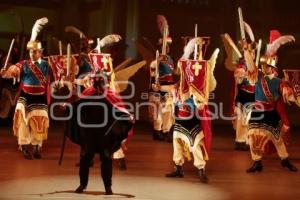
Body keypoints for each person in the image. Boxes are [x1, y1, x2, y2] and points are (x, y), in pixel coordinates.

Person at [165, 37, 219, 183]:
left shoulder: (195, 89)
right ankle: (178, 168)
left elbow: (201, 105)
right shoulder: (177, 87)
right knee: (176, 143)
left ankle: (201, 169)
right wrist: (159, 88)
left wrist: (198, 100)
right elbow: (169, 91)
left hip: (192, 122)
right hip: (179, 122)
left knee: (195, 146)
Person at [246, 30, 298, 173]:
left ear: (272, 67)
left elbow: (287, 93)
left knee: (277, 139)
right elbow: (250, 66)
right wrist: (247, 51)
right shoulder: (257, 77)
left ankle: (285, 160)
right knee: (253, 138)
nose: (264, 68)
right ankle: (257, 162)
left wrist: (294, 97)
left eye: (267, 66)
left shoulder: (278, 81)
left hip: (270, 113)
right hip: (257, 113)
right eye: (263, 66)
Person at [0, 17, 51, 160]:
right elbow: (13, 71)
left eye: (35, 52)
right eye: (30, 52)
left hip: (40, 96)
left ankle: (36, 147)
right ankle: (24, 146)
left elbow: (54, 78)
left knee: (40, 122)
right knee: (23, 122)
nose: (32, 54)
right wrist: (7, 73)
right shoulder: (24, 64)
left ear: (40, 52)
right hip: (25, 96)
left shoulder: (46, 65)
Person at [149, 15, 176, 142]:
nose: (167, 48)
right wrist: (158, 61)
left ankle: (166, 131)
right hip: (158, 88)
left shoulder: (170, 59)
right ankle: (157, 131)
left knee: (168, 112)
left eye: (168, 46)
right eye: (165, 46)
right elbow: (153, 71)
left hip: (168, 88)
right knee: (158, 113)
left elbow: (173, 71)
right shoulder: (156, 60)